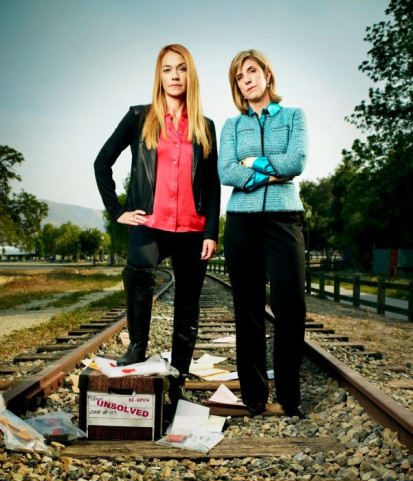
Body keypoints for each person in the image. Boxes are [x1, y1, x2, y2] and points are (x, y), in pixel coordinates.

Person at [94, 44, 220, 406]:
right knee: (138, 268)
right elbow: (102, 161)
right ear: (159, 76)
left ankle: (178, 374)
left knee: (188, 303)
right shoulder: (139, 117)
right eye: (167, 69)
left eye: (181, 68)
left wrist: (211, 231)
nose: (174, 75)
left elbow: (212, 185)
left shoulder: (205, 126)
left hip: (193, 229)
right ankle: (137, 346)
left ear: (190, 75)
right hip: (150, 223)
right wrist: (117, 210)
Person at [218, 49, 308, 418]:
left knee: (291, 306)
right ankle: (254, 396)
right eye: (239, 77)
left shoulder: (293, 116)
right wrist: (273, 174)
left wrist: (253, 164)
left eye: (252, 71)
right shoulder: (231, 125)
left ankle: (289, 396)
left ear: (267, 75)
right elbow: (226, 171)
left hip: (285, 218)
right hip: (242, 221)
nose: (247, 80)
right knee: (248, 309)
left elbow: (296, 161)